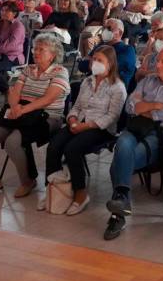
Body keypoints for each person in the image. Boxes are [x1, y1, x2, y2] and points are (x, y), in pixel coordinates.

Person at [104, 46, 163, 240]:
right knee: (123, 145)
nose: (156, 65)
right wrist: (154, 106)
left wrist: (143, 106)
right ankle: (121, 207)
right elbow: (129, 106)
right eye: (157, 60)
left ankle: (118, 212)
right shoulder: (148, 80)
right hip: (136, 128)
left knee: (119, 164)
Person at [0, 33, 70, 198]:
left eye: (42, 49)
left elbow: (48, 99)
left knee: (13, 142)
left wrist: (21, 110)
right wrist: (14, 107)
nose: (36, 52)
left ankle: (27, 181)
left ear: (53, 55)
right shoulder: (29, 69)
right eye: (35, 48)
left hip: (48, 117)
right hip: (22, 113)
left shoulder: (60, 72)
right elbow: (14, 92)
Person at [43, 45, 128, 215]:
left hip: (100, 128)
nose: (94, 63)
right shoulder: (87, 82)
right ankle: (53, 190)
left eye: (100, 60)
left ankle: (80, 194)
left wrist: (85, 126)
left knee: (72, 149)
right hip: (78, 123)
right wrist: (72, 118)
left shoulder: (117, 87)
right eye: (93, 59)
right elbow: (76, 106)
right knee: (53, 146)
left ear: (110, 64)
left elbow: (111, 117)